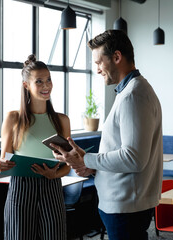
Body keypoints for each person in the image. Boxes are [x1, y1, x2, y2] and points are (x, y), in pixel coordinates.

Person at [51, 30, 163, 240]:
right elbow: (125, 152)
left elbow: (134, 158)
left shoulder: (133, 96)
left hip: (125, 206)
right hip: (126, 203)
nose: (97, 69)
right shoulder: (133, 91)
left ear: (117, 57)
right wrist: (89, 164)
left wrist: (86, 158)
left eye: (98, 62)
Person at [0, 54, 71, 240]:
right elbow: (3, 160)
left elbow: (68, 164)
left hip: (51, 186)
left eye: (48, 80)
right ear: (26, 85)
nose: (46, 86)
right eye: (39, 81)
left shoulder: (62, 120)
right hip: (21, 188)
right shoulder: (13, 118)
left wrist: (55, 174)